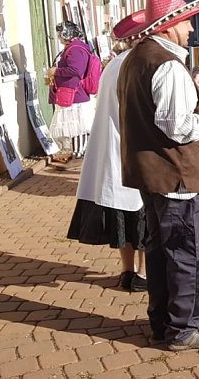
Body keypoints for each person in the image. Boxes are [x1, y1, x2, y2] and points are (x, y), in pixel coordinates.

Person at [116, 0, 199, 350]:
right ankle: (183, 328)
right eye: (186, 21)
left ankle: (163, 322)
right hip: (176, 176)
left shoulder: (136, 59)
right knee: (185, 254)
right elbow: (178, 127)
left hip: (155, 175)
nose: (190, 27)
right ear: (169, 26)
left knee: (161, 252)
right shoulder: (166, 64)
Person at [67, 40, 146, 292]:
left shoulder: (115, 64)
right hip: (135, 151)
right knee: (143, 216)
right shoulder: (142, 63)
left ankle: (127, 270)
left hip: (114, 150)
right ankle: (143, 273)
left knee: (124, 215)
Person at [48, 21, 95, 163]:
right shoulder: (74, 47)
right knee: (73, 124)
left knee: (78, 125)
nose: (58, 37)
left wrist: (56, 71)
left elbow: (76, 70)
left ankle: (79, 152)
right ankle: (76, 151)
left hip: (74, 93)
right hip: (71, 92)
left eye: (60, 33)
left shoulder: (75, 49)